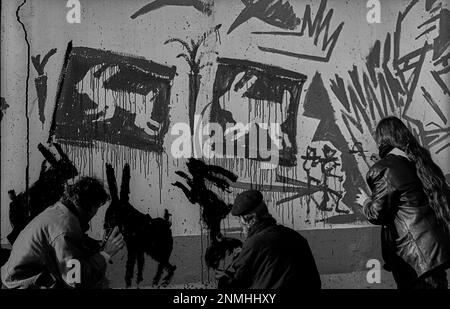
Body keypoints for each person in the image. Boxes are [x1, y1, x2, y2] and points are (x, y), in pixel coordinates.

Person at [356, 116, 450, 289]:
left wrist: (366, 202)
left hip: (415, 260)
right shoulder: (421, 161)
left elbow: (378, 213)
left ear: (383, 139)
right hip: (435, 254)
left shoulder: (385, 168)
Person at [1, 176, 125, 289]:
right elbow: (75, 279)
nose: (95, 213)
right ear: (88, 205)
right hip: (22, 285)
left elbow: (70, 250)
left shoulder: (59, 211)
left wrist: (99, 248)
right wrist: (105, 254)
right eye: (96, 207)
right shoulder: (65, 229)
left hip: (18, 279)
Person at [216, 189, 321, 289]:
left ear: (251, 219)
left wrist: (224, 278)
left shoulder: (254, 243)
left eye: (241, 221)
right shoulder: (295, 236)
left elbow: (239, 282)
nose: (241, 225)